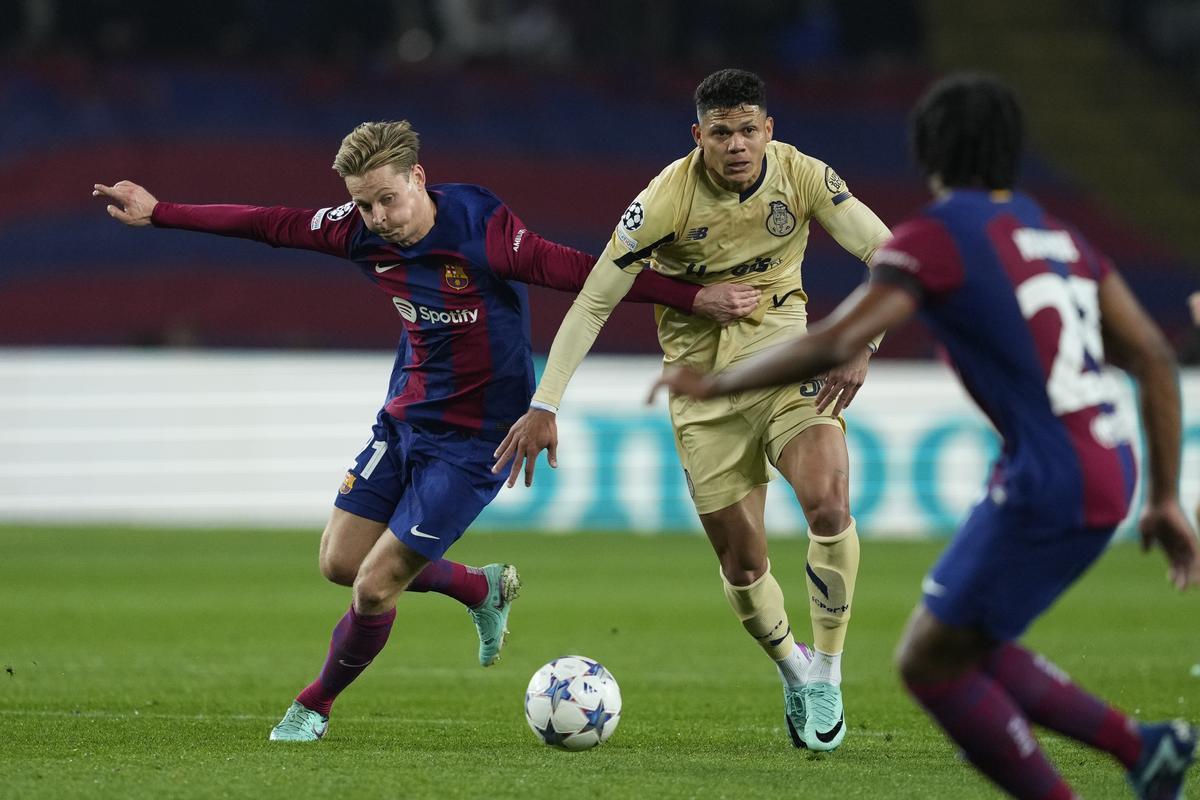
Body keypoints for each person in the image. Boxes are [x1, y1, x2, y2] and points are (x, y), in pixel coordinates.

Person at [93, 119, 761, 742]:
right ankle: (480, 586)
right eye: (363, 205)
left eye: (387, 199)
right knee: (338, 563)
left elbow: (584, 273)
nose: (377, 219)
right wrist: (160, 213)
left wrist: (692, 298)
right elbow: (272, 223)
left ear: (418, 178)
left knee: (374, 584)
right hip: (405, 419)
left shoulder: (480, 228)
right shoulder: (359, 233)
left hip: (477, 442)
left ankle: (314, 705)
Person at [651, 74, 1199, 798]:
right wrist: (1163, 496)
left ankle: (1120, 760)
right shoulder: (1058, 235)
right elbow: (1155, 360)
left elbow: (834, 338)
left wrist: (715, 384)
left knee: (929, 663)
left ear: (930, 152)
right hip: (1111, 468)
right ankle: (1144, 749)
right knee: (960, 644)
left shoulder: (940, 236)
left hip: (1048, 477)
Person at [492, 68, 893, 751]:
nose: (736, 145)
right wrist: (544, 402)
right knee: (743, 564)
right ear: (698, 136)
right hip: (701, 394)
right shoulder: (663, 201)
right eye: (721, 133)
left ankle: (827, 667)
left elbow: (888, 252)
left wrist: (862, 339)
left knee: (828, 502)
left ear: (768, 129)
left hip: (784, 362)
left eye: (747, 130)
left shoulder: (800, 175)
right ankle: (794, 671)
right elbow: (595, 300)